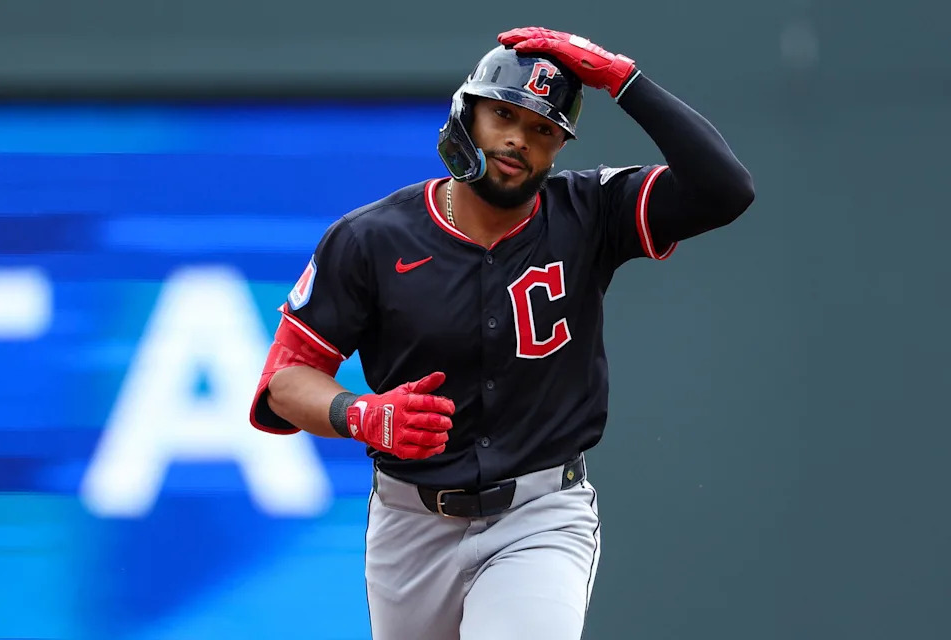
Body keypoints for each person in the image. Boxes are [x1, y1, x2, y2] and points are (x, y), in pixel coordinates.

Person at [249, 26, 754, 640]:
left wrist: (622, 78)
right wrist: (361, 414)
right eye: (503, 114)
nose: (519, 138)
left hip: (540, 515)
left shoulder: (589, 209)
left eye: (544, 129)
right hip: (411, 525)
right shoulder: (371, 238)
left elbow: (725, 189)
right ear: (466, 117)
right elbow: (284, 381)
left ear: (559, 147)